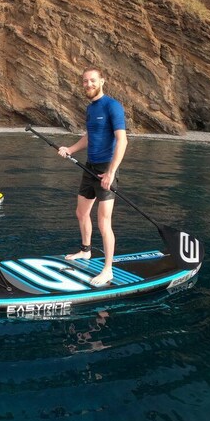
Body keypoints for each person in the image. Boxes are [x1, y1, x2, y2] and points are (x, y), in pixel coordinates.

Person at [58, 68, 128, 286]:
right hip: (90, 168)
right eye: (85, 81)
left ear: (102, 81)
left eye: (92, 80)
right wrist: (70, 149)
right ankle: (86, 250)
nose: (88, 84)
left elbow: (122, 141)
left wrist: (110, 173)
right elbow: (90, 136)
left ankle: (108, 270)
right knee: (81, 212)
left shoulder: (112, 106)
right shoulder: (90, 109)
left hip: (107, 168)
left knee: (104, 222)